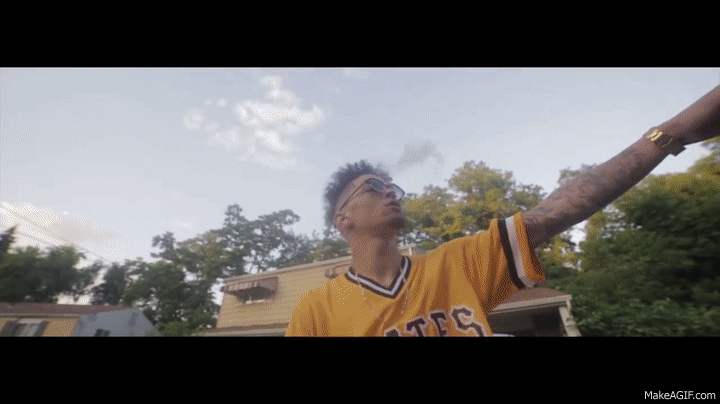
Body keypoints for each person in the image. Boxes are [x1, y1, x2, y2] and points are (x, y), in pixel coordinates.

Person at [285, 84, 720, 337]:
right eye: (374, 187)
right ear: (343, 219)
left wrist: (668, 134)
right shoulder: (315, 310)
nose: (391, 192)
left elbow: (557, 212)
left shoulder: (457, 264)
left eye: (392, 185)